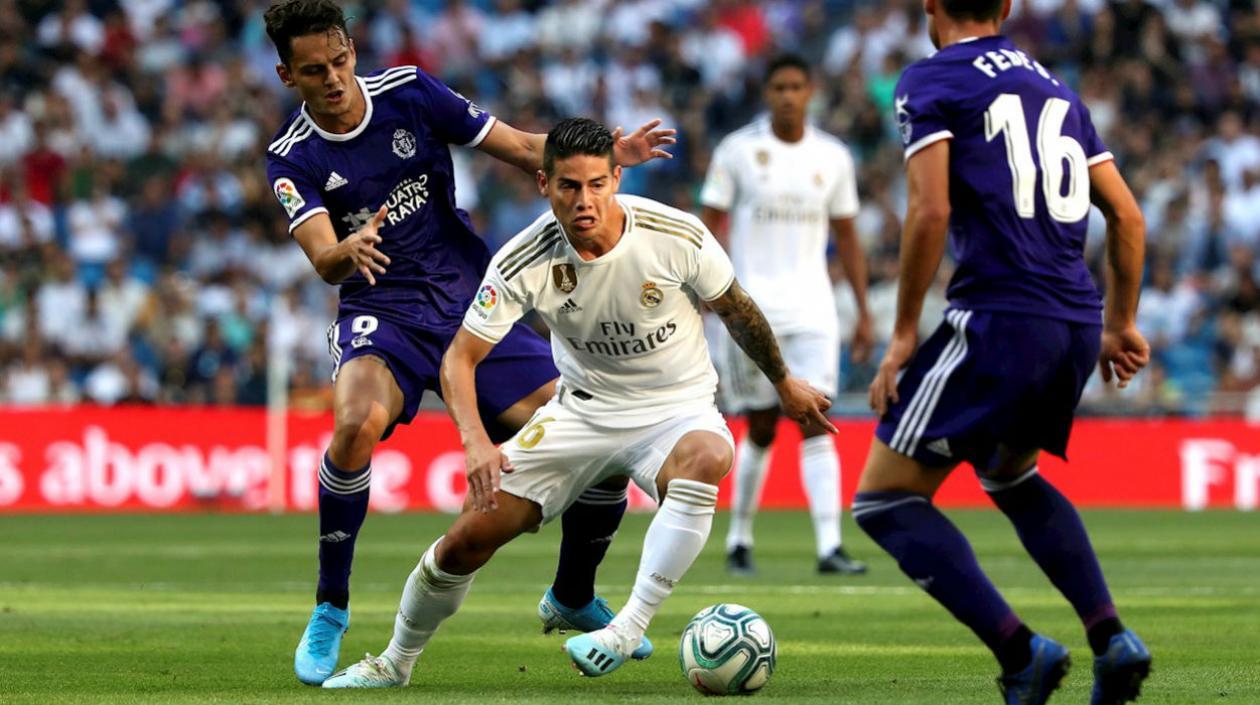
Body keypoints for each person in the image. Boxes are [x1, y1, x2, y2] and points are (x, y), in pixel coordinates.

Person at [320, 118, 834, 688]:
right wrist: (477, 443)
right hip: (581, 412)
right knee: (468, 540)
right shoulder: (524, 258)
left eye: (595, 184)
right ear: (544, 184)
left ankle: (628, 628)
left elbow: (737, 308)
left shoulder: (675, 233)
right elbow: (459, 358)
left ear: (617, 178)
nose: (584, 201)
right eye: (569, 186)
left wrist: (784, 384)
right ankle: (394, 662)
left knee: (709, 457)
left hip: (675, 407)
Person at [261, 0, 675, 685]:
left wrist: (602, 155)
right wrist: (347, 249)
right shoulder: (291, 156)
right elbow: (322, 258)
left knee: (597, 434)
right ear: (287, 75)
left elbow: (517, 146)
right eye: (314, 70)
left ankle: (572, 593)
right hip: (382, 307)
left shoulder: (412, 94)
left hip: (469, 299)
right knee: (354, 425)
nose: (333, 78)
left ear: (352, 50)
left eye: (339, 61)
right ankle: (331, 605)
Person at [856, 1, 1152, 704]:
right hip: (1075, 320)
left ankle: (1022, 652)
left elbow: (929, 211)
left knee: (884, 500)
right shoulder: (1057, 89)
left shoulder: (932, 80)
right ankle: (1111, 636)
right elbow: (1129, 216)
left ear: (931, 5)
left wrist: (902, 333)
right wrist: (1121, 324)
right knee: (1008, 475)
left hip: (999, 314)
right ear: (1009, 6)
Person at [700, 53, 873, 576]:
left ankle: (829, 546)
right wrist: (707, 290)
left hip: (815, 308)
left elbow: (847, 237)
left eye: (797, 86)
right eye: (779, 87)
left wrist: (864, 311)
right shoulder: (737, 151)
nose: (788, 96)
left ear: (811, 90)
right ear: (766, 93)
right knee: (760, 426)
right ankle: (739, 539)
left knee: (818, 422)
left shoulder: (834, 157)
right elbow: (709, 225)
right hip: (752, 311)